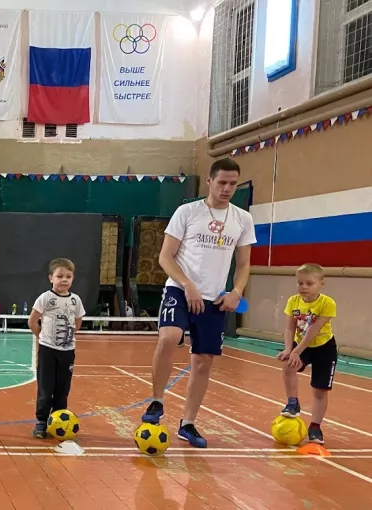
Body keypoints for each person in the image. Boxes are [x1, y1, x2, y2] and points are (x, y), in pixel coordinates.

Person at [140, 158, 256, 448]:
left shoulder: (242, 219)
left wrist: (237, 291)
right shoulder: (187, 212)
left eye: (232, 183)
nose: (227, 188)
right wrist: (187, 285)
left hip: (215, 299)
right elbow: (165, 257)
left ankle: (188, 424)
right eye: (222, 182)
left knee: (203, 361)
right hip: (180, 290)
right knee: (170, 336)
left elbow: (243, 264)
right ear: (209, 181)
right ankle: (156, 401)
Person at [277, 263, 337, 445]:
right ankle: (293, 402)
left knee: (320, 390)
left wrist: (296, 351)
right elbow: (289, 327)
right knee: (288, 366)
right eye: (300, 283)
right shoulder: (293, 301)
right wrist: (289, 349)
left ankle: (315, 427)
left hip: (323, 348)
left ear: (321, 284)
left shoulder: (327, 303)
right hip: (299, 344)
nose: (303, 287)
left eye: (309, 283)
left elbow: (313, 330)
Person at [28, 258, 86, 438]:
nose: (64, 280)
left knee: (62, 388)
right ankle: (41, 421)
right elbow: (32, 321)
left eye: (68, 276)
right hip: (47, 350)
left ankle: (59, 419)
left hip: (67, 352)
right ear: (50, 278)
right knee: (46, 388)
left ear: (73, 278)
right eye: (59, 276)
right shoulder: (46, 298)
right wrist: (42, 337)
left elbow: (77, 323)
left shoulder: (75, 300)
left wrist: (68, 337)